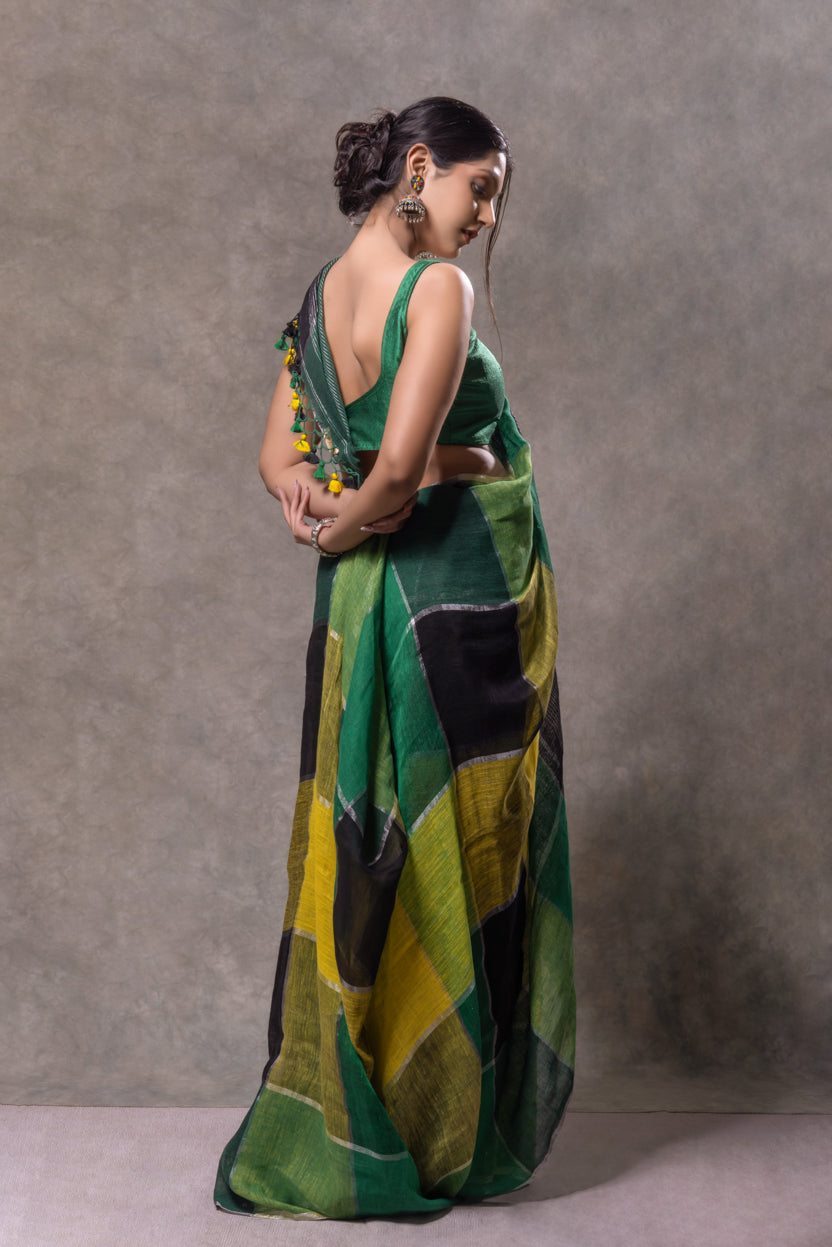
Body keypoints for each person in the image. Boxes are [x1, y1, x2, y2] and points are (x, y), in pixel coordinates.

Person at [215, 97, 575, 1220]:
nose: (488, 215)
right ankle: (441, 1131)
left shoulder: (319, 300)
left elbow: (277, 458)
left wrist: (319, 512)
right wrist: (450, 472)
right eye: (482, 187)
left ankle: (377, 1107)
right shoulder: (437, 291)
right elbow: (404, 471)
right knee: (454, 838)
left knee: (367, 831)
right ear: (421, 165)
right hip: (448, 600)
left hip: (359, 604)